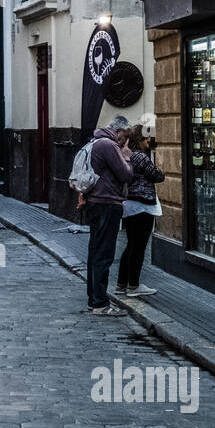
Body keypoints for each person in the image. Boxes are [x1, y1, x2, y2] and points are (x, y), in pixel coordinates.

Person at [80, 115, 134, 316]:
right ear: (117, 131)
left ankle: (94, 299)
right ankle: (100, 304)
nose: (124, 141)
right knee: (103, 254)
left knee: (95, 253)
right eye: (124, 136)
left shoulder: (96, 142)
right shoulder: (108, 145)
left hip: (96, 202)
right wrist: (126, 156)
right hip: (106, 204)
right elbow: (126, 175)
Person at [114, 125, 165, 297]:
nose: (149, 142)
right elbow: (157, 176)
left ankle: (121, 284)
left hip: (129, 204)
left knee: (131, 245)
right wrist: (161, 170)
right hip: (142, 205)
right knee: (139, 247)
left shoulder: (126, 155)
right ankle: (133, 286)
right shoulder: (140, 157)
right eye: (147, 139)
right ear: (140, 139)